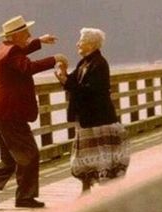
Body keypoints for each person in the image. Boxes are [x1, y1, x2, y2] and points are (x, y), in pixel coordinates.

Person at [0, 15, 68, 209]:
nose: (29, 34)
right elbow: (28, 67)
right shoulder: (11, 53)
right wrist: (55, 59)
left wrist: (39, 41)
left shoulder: (3, 47)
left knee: (11, 157)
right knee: (30, 153)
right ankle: (24, 197)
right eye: (26, 32)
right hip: (9, 113)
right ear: (16, 35)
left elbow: (21, 51)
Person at [54, 27, 130, 193]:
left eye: (80, 41)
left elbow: (89, 89)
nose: (77, 44)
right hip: (86, 116)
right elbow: (72, 83)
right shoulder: (84, 62)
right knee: (85, 154)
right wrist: (63, 75)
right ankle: (86, 187)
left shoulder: (99, 63)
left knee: (101, 154)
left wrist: (66, 81)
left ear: (91, 44)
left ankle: (106, 188)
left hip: (98, 117)